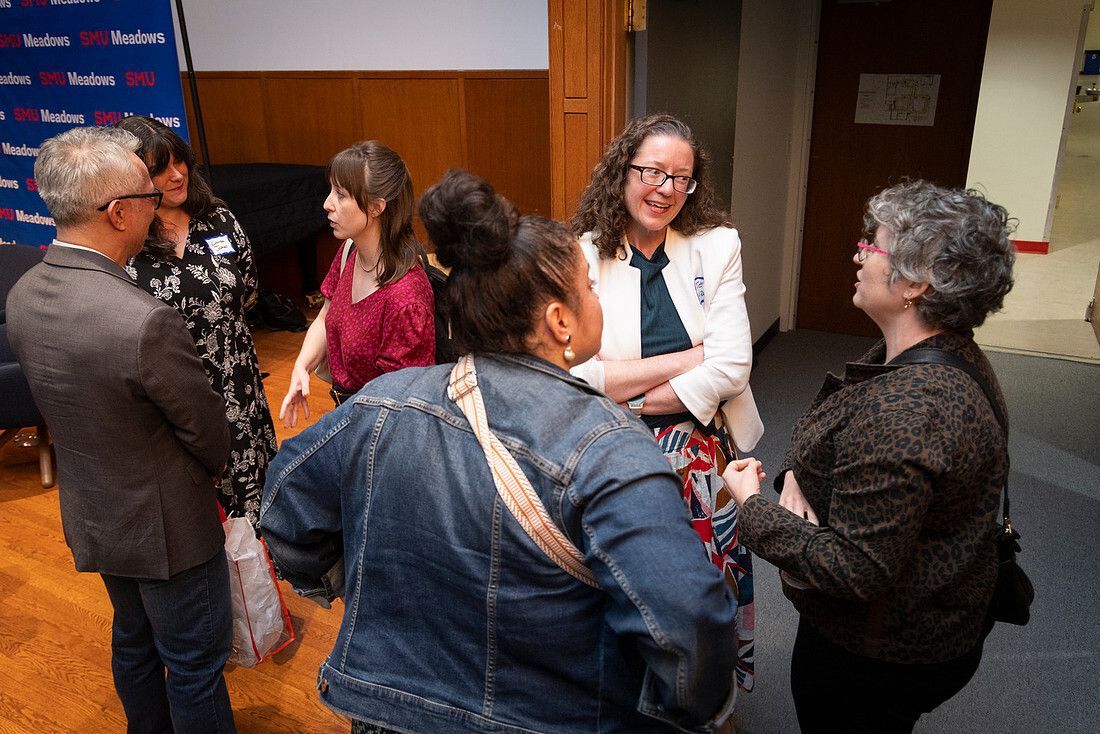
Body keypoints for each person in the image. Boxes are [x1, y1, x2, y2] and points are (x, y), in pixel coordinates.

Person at [260, 170, 745, 733]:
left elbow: (283, 511)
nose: (595, 297)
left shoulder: (381, 404)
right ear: (559, 321)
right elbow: (690, 629)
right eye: (588, 287)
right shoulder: (611, 449)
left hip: (386, 716)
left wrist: (358, 585)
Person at [724, 181, 1016, 733]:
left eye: (872, 246)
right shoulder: (939, 354)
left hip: (878, 653)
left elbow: (855, 571)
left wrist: (752, 507)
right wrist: (800, 481)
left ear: (916, 283)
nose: (858, 254)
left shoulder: (911, 406)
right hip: (936, 617)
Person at [6, 126, 236, 733]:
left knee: (134, 643)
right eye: (148, 196)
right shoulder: (142, 322)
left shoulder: (25, 293)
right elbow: (208, 431)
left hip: (94, 515)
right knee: (194, 666)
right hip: (171, 531)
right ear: (118, 213)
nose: (157, 205)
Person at [570, 113, 764, 690]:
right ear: (622, 173)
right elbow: (578, 372)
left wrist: (629, 392)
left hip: (702, 446)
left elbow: (732, 365)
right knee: (623, 585)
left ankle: (708, 697)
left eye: (682, 179)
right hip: (612, 448)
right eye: (653, 172)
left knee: (703, 588)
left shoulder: (716, 246)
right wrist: (687, 357)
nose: (667, 190)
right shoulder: (583, 253)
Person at [117, 115, 277, 527]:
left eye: (180, 162)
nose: (176, 175)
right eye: (159, 169)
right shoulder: (128, 242)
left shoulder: (217, 218)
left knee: (250, 509)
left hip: (237, 383)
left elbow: (250, 287)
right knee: (194, 513)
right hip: (177, 396)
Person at [279, 141, 434, 425]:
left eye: (340, 194)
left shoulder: (405, 299)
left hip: (379, 430)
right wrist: (302, 366)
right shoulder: (350, 250)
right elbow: (325, 316)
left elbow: (400, 407)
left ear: (376, 207)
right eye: (330, 191)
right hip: (348, 415)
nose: (327, 204)